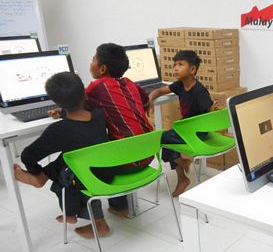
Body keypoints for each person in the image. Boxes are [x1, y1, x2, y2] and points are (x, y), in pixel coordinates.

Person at [50, 43, 153, 217]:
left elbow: (75, 104)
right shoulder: (130, 83)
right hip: (149, 154)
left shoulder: (96, 87)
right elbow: (146, 101)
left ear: (102, 68)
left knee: (78, 160)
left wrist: (60, 112)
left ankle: (89, 218)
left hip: (127, 162)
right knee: (115, 144)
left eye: (93, 59)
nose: (90, 63)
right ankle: (119, 207)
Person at [13, 72, 112, 238]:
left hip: (87, 181)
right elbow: (81, 120)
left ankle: (41, 180)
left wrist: (35, 170)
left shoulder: (58, 130)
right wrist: (63, 113)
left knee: (65, 173)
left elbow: (27, 156)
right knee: (67, 158)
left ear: (56, 102)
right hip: (108, 172)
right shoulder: (98, 115)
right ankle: (43, 178)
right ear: (84, 93)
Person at [148, 50, 215, 196]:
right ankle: (182, 173)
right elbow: (159, 91)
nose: (175, 68)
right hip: (185, 130)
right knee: (166, 142)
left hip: (198, 132)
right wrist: (150, 98)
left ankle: (182, 171)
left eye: (180, 64)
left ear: (192, 69)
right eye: (174, 65)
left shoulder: (199, 91)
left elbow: (210, 113)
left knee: (162, 138)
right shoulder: (179, 85)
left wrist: (214, 110)